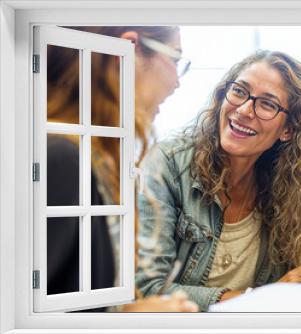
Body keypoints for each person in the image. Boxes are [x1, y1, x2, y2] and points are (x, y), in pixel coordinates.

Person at [136, 50, 301, 312]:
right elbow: (148, 289)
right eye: (240, 91)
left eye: (267, 104)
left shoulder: (289, 188)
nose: (243, 110)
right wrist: (260, 297)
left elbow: (299, 287)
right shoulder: (169, 164)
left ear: (288, 130)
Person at [47, 26, 197, 312]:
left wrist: (136, 312)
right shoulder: (61, 161)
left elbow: (71, 304)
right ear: (127, 52)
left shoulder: (93, 158)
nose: (177, 82)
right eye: (175, 60)